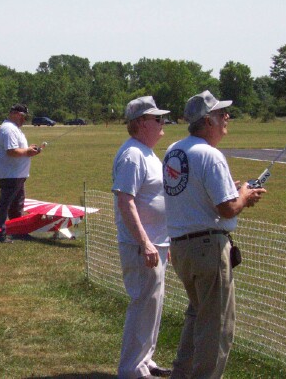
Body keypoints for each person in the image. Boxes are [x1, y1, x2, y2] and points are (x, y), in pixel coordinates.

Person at [162, 91, 267, 378]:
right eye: (221, 115)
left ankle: (180, 374)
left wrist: (231, 190)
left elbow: (192, 193)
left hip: (182, 249)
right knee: (217, 327)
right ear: (207, 121)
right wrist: (244, 195)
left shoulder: (174, 150)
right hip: (208, 248)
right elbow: (228, 208)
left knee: (197, 316)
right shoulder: (210, 154)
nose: (227, 118)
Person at [112, 96, 173, 379]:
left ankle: (145, 360)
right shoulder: (132, 155)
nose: (163, 124)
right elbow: (126, 200)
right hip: (141, 246)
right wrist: (145, 242)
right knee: (142, 303)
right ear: (140, 124)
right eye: (157, 119)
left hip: (157, 243)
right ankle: (130, 369)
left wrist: (163, 240)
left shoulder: (147, 153)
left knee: (154, 304)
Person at [0, 104, 41, 243]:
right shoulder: (8, 129)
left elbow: (18, 149)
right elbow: (12, 151)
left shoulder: (15, 129)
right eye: (22, 116)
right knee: (5, 204)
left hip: (18, 174)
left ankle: (18, 231)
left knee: (17, 205)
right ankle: (0, 234)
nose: (23, 120)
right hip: (10, 175)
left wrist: (29, 149)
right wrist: (28, 152)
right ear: (14, 114)